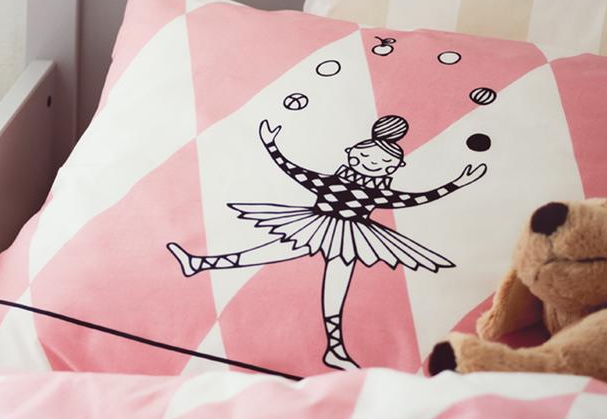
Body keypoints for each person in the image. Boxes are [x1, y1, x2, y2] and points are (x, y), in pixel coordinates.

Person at [168, 113, 485, 369]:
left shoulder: (378, 192)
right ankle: (200, 263)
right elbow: (295, 171)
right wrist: (271, 144)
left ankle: (334, 348)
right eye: (366, 158)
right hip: (316, 224)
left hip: (351, 235)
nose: (372, 165)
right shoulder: (331, 182)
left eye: (381, 164)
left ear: (394, 168)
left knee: (335, 285)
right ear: (352, 154)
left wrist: (457, 183)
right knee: (267, 252)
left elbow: (415, 198)